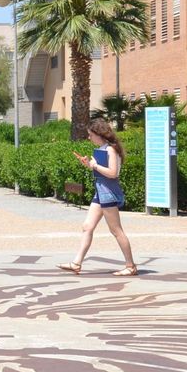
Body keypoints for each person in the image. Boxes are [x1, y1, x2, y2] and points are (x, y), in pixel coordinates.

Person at [59, 118, 137, 276]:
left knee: (116, 230)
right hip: (100, 192)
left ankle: (130, 266)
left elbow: (113, 173)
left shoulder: (110, 150)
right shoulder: (104, 149)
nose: (89, 138)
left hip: (107, 193)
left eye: (90, 134)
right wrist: (89, 165)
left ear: (99, 134)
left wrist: (95, 165)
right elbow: (103, 171)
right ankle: (77, 263)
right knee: (87, 226)